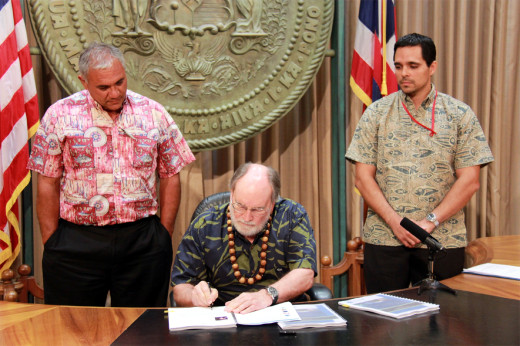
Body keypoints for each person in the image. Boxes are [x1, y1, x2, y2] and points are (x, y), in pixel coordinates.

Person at [27, 42, 195, 307]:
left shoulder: (154, 113)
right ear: (84, 81)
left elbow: (171, 173)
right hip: (75, 243)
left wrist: (164, 233)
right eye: (103, 87)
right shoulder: (59, 115)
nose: (115, 92)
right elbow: (47, 180)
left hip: (142, 242)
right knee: (74, 329)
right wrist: (52, 241)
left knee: (141, 330)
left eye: (120, 82)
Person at [345, 33, 494, 294]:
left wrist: (428, 224)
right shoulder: (377, 113)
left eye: (413, 66)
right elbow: (362, 178)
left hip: (441, 239)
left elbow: (470, 181)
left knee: (442, 324)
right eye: (399, 66)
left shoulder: (459, 114)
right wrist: (396, 223)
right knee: (383, 326)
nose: (404, 73)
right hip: (385, 238)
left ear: (431, 67)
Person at [171, 163, 317, 313]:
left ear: (272, 204)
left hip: (283, 315)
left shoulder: (291, 216)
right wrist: (195, 297)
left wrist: (267, 295)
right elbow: (181, 287)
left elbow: (305, 273)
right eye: (240, 206)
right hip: (225, 318)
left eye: (257, 209)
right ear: (232, 194)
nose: (247, 217)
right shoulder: (204, 225)